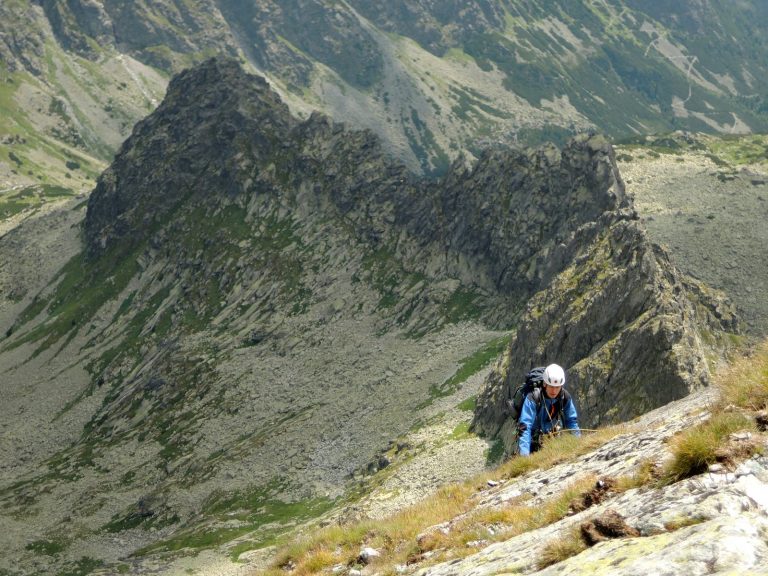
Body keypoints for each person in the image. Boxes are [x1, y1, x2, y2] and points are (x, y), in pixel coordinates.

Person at [517, 363, 580, 456]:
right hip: (532, 438)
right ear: (545, 384)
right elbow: (525, 426)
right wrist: (524, 456)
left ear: (561, 386)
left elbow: (572, 421)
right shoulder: (534, 397)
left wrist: (577, 445)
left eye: (557, 387)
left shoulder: (564, 397)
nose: (554, 391)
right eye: (551, 386)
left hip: (551, 436)